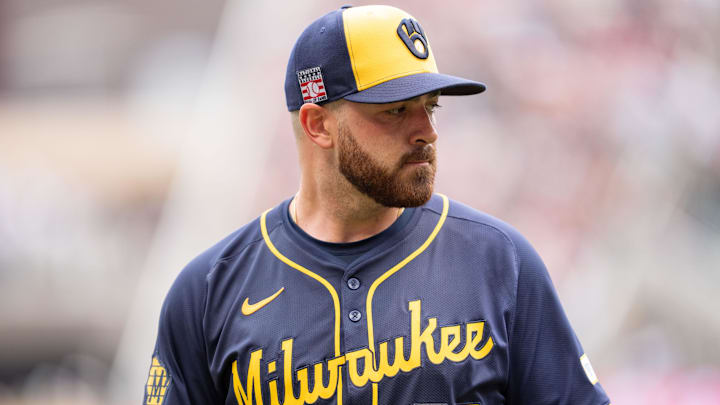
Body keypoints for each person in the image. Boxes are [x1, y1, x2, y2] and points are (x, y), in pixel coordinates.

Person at [143, 5, 611, 405]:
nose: (426, 130)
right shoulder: (207, 291)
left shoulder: (499, 261)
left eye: (431, 106)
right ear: (318, 125)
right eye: (394, 110)